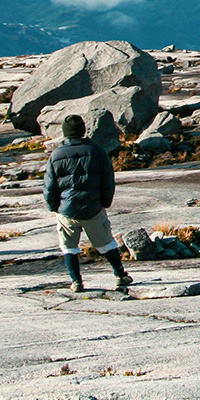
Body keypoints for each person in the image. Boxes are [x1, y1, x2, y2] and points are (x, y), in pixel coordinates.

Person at [43, 114, 132, 292]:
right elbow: (108, 181)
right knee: (107, 244)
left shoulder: (56, 155)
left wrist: (54, 208)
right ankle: (120, 275)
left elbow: (49, 186)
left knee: (69, 248)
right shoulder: (97, 151)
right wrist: (104, 203)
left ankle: (76, 282)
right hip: (93, 208)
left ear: (66, 133)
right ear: (83, 131)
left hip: (66, 210)